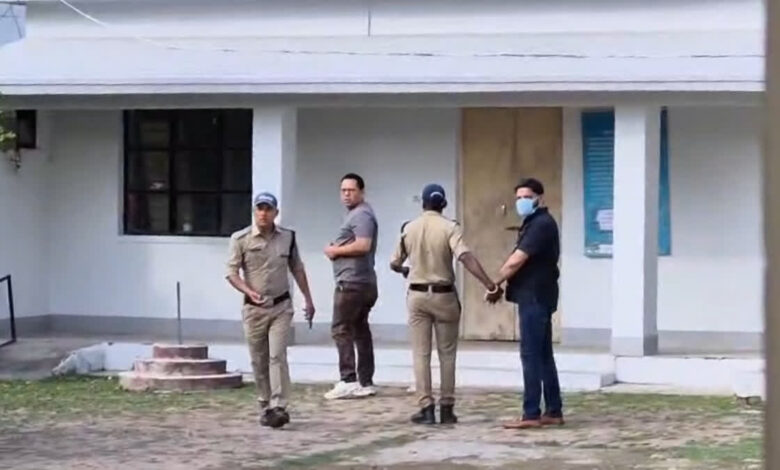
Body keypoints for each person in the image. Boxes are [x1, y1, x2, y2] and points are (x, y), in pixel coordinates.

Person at [391, 184, 502, 425]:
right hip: (444, 297)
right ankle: (447, 408)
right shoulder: (450, 227)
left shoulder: (409, 228)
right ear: (443, 204)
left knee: (421, 354)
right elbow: (464, 256)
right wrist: (489, 284)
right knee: (447, 354)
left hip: (417, 296)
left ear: (423, 203)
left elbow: (395, 262)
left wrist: (405, 270)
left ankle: (426, 408)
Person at [226, 192, 315, 429]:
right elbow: (232, 273)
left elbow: (297, 268)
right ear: (254, 212)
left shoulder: (287, 237)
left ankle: (279, 405)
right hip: (254, 308)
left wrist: (308, 299)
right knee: (259, 358)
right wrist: (248, 290)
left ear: (276, 212)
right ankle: (265, 403)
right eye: (260, 209)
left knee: (277, 355)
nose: (263, 213)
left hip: (281, 306)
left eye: (268, 209)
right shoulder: (241, 239)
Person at [488, 178, 563, 429]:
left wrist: (494, 283)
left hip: (535, 297)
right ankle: (553, 410)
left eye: (527, 197)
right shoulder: (534, 223)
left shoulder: (541, 224)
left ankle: (531, 413)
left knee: (531, 355)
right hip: (538, 295)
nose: (521, 202)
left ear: (539, 198)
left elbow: (516, 261)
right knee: (543, 355)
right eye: (518, 198)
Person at [323, 173, 379, 400]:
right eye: (343, 190)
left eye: (351, 190)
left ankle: (348, 380)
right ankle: (365, 381)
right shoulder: (356, 214)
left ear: (361, 192)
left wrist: (335, 250)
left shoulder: (362, 215)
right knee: (359, 329)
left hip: (353, 282)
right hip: (362, 281)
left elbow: (363, 245)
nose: (346, 194)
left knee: (341, 328)